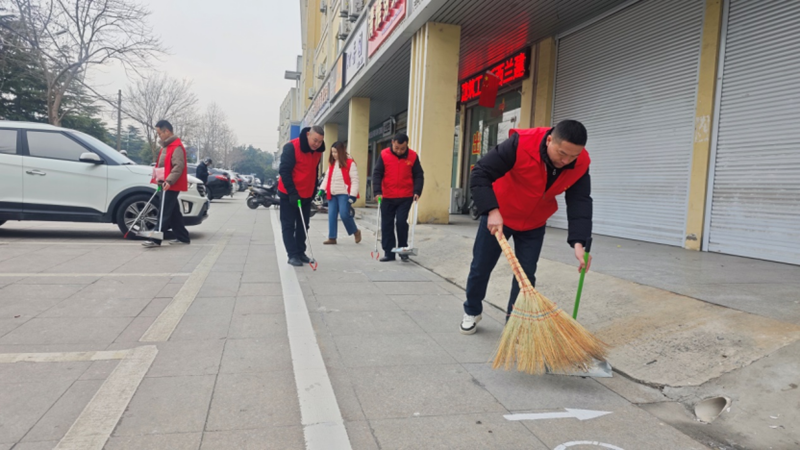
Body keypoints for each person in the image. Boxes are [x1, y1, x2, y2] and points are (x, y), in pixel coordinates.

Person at [460, 120, 593, 335]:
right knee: (481, 267)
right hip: (499, 215)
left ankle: (514, 323)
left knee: (526, 275)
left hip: (534, 222)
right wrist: (491, 210)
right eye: (562, 154)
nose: (566, 161)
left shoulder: (581, 162)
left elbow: (580, 201)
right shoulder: (521, 144)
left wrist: (579, 242)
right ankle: (472, 310)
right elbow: (481, 172)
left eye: (573, 156)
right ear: (549, 140)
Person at [372, 132, 424, 262]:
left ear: (407, 145)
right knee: (387, 224)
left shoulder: (413, 156)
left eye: (402, 148)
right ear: (392, 143)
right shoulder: (384, 154)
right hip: (387, 196)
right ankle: (389, 253)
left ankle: (403, 250)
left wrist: (417, 191)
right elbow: (377, 173)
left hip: (405, 196)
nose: (399, 151)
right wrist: (377, 192)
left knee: (401, 222)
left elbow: (418, 175)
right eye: (396, 148)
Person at [278, 126, 326, 266]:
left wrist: (313, 189)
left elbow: (314, 170)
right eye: (315, 140)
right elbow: (284, 171)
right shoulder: (291, 147)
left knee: (303, 225)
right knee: (288, 225)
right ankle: (292, 254)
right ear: (308, 135)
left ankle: (300, 252)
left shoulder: (318, 151)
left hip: (306, 193)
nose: (317, 144)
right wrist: (292, 193)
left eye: (320, 141)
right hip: (289, 194)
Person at [142, 120, 190, 248]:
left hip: (170, 184)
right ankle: (183, 237)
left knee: (163, 211)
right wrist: (159, 180)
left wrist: (169, 181)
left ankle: (155, 240)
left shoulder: (176, 147)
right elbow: (163, 166)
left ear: (167, 131)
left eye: (159, 133)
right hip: (165, 183)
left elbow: (178, 167)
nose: (159, 136)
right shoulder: (167, 146)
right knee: (173, 212)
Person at [319, 142, 361, 245]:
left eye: (336, 152)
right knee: (332, 215)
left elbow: (355, 180)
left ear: (341, 151)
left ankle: (355, 231)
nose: (333, 154)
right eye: (332, 152)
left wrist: (353, 195)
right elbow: (327, 178)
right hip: (332, 194)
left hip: (344, 194)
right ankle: (332, 237)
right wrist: (322, 189)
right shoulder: (332, 164)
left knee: (344, 214)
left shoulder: (350, 163)